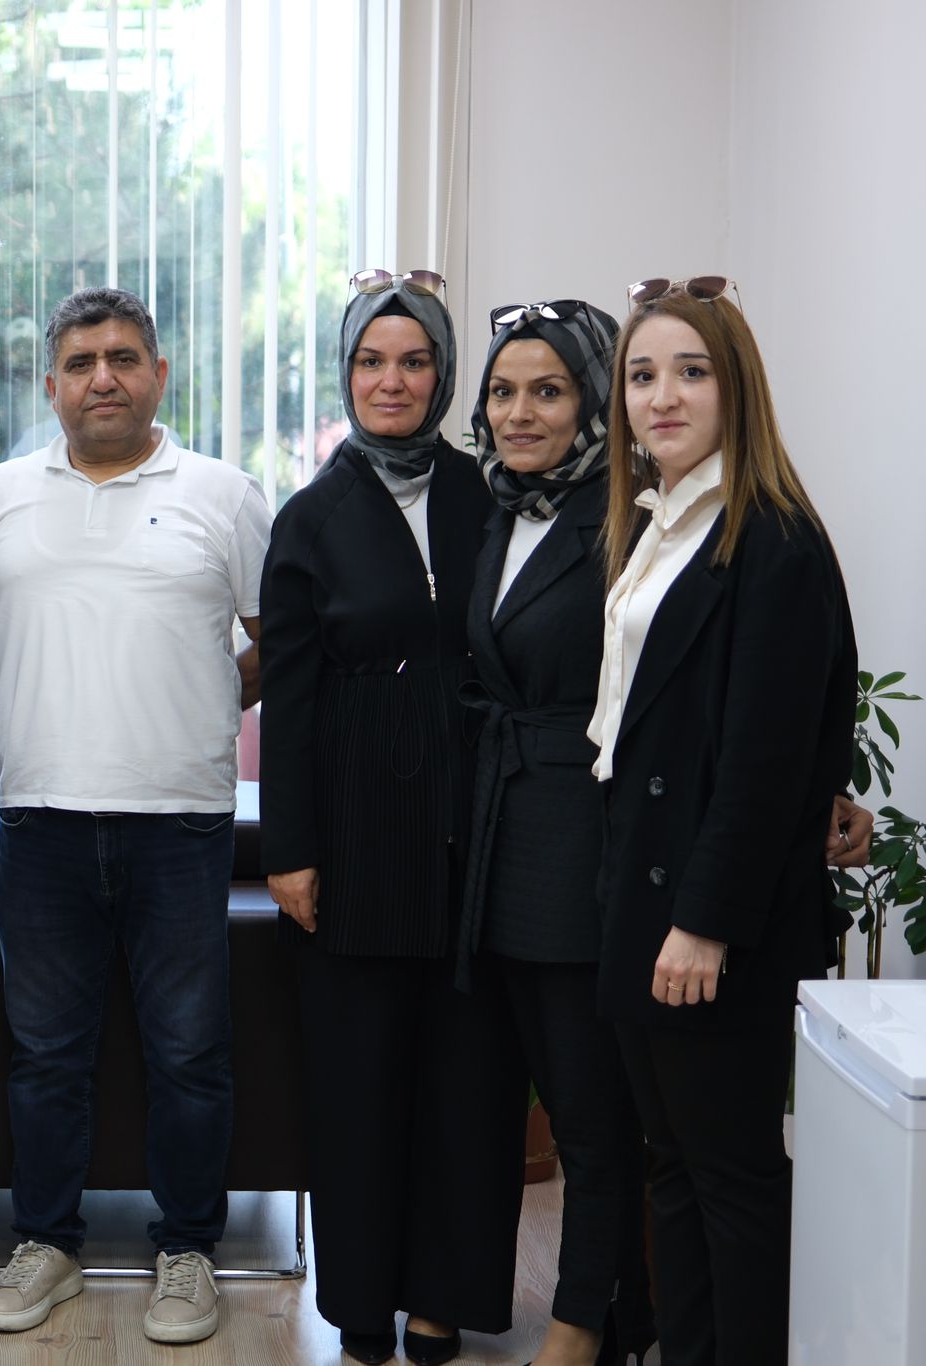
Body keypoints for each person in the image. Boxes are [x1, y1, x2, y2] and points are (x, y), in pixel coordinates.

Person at [0, 286, 271, 1347]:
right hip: (40, 819)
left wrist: (209, 697)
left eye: (124, 358)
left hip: (181, 821)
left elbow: (276, 636)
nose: (104, 377)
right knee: (44, 1054)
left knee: (189, 1053)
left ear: (158, 375)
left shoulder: (224, 494)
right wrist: (18, 694)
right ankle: (45, 1244)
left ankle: (186, 1252)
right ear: (49, 384)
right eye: (82, 361)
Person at [586, 277, 856, 1366]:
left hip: (711, 923)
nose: (662, 396)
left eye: (690, 373)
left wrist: (701, 922)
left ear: (735, 388)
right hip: (641, 896)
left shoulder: (773, 541)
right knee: (671, 1165)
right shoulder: (656, 525)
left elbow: (763, 765)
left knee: (732, 1178)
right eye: (641, 375)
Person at [259, 270, 522, 1366]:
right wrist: (290, 850)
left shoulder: (494, 496)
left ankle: (442, 1298)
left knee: (467, 1074)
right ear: (345, 372)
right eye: (371, 360)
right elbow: (288, 698)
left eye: (414, 362)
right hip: (355, 829)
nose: (392, 380)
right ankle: (363, 1298)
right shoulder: (309, 517)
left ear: (443, 375)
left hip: (476, 823)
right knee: (359, 1075)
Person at [459, 299, 653, 1366]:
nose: (519, 413)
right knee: (519, 1090)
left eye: (548, 391)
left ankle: (581, 1320)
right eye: (502, 391)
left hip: (582, 836)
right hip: (500, 834)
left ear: (591, 402)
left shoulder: (627, 519)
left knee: (587, 1107)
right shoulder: (500, 509)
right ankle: (613, 1310)